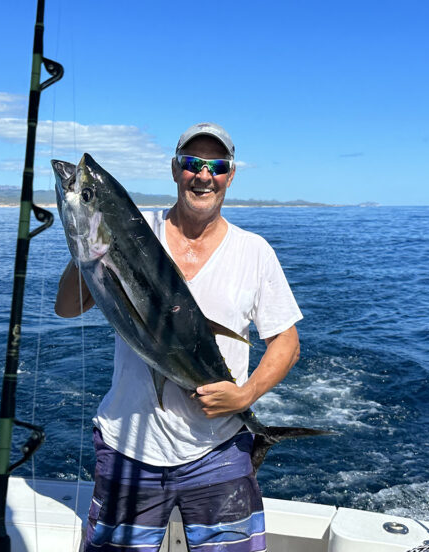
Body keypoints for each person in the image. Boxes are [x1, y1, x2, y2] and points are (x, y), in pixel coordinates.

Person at [54, 122, 303, 552]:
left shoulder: (254, 251)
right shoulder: (137, 228)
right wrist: (90, 248)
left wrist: (245, 397)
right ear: (175, 169)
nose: (203, 175)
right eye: (192, 163)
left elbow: (287, 343)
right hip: (128, 446)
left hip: (220, 450)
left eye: (217, 166)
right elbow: (67, 307)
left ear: (230, 174)